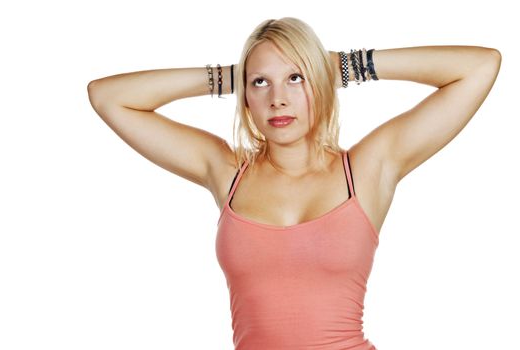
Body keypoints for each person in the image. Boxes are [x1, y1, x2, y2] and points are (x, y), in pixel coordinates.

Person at [87, 17, 501, 350]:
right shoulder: (227, 171)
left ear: (321, 85)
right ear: (246, 96)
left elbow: (479, 67)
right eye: (261, 83)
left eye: (296, 79)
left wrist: (342, 65)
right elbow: (108, 96)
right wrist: (232, 77)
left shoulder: (366, 170)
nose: (278, 99)